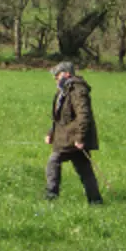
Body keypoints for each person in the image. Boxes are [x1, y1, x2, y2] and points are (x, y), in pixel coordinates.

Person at [44, 61, 103, 204]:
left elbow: (83, 115)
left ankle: (51, 194)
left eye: (57, 75)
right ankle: (95, 200)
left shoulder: (77, 90)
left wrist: (80, 138)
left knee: (54, 161)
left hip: (73, 138)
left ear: (66, 74)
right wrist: (51, 133)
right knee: (85, 170)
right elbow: (59, 117)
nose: (55, 78)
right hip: (68, 137)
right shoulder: (64, 89)